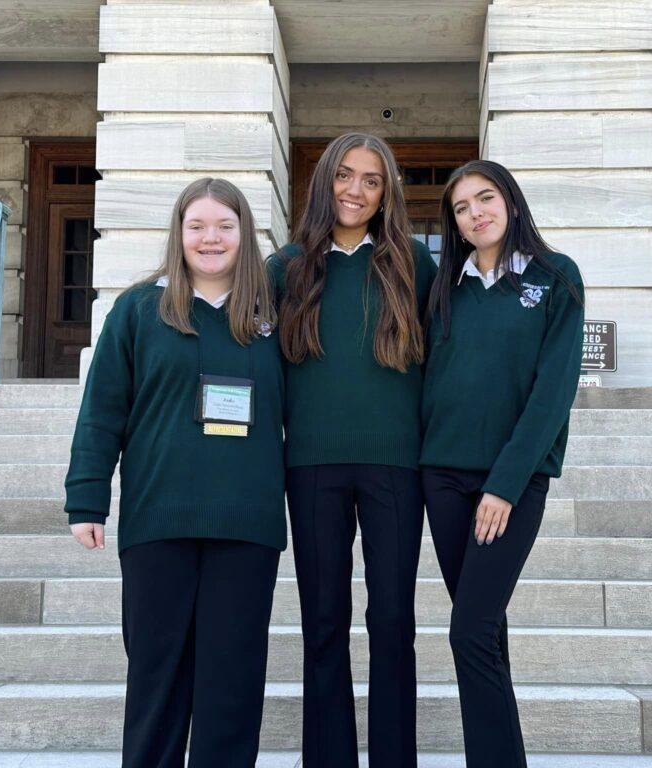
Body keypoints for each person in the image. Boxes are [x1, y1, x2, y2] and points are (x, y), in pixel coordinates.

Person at [64, 178, 285, 768]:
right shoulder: (138, 309)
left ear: (244, 233)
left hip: (247, 525)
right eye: (197, 226)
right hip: (158, 521)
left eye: (224, 226)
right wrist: (87, 498)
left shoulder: (275, 313)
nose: (210, 238)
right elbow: (102, 409)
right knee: (157, 681)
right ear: (178, 233)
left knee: (232, 686)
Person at [268, 132, 437, 768]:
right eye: (345, 175)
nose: (356, 190)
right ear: (323, 183)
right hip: (310, 466)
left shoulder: (414, 264)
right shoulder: (286, 267)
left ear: (386, 192)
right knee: (324, 625)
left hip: (397, 466)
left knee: (393, 623)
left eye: (372, 180)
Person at [420, 160, 586, 768]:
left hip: (511, 485)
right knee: (484, 631)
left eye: (484, 198)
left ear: (510, 202)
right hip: (440, 475)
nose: (475, 214)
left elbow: (553, 391)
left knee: (468, 632)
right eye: (462, 208)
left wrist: (506, 485)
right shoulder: (444, 287)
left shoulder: (555, 277)